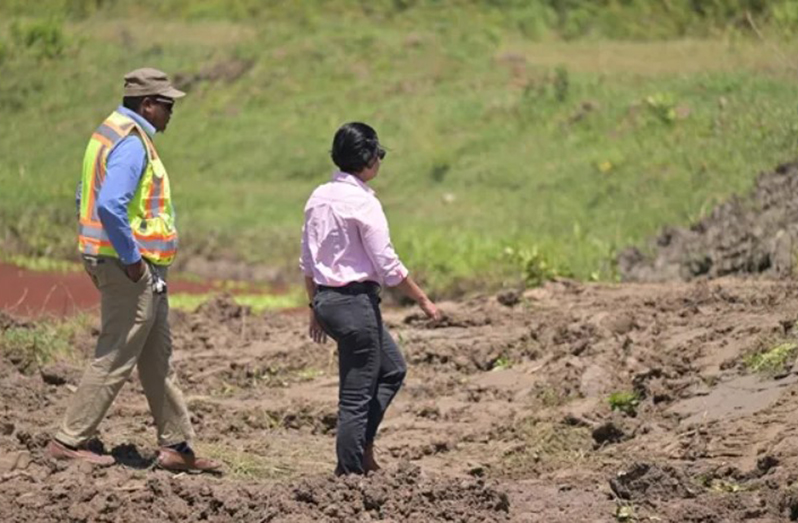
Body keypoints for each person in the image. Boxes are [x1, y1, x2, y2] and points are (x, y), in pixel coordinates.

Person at [47, 68, 219, 472]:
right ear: (147, 105)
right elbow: (108, 205)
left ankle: (177, 446)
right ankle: (68, 439)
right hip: (128, 269)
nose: (171, 111)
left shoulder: (111, 131)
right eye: (167, 104)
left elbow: (82, 194)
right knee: (117, 351)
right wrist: (130, 260)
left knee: (157, 355)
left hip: (134, 267)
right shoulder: (132, 143)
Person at [300, 122, 443, 475]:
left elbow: (307, 260)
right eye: (378, 154)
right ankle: (349, 477)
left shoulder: (318, 196)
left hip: (328, 302)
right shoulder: (364, 203)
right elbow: (388, 264)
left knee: (392, 368)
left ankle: (362, 449)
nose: (380, 160)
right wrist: (423, 300)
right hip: (354, 305)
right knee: (355, 397)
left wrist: (313, 308)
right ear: (366, 159)